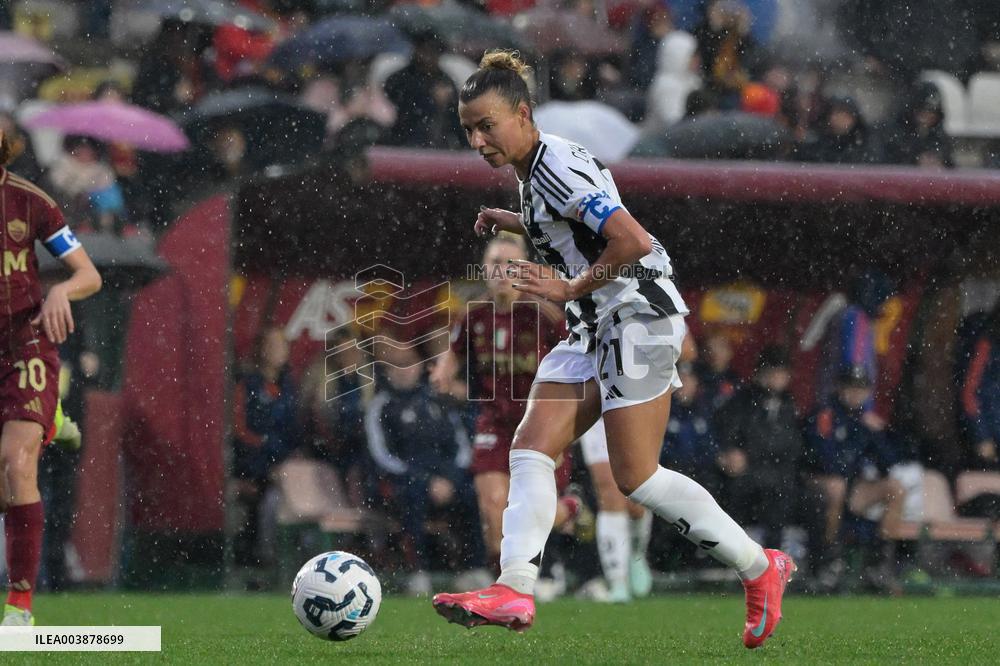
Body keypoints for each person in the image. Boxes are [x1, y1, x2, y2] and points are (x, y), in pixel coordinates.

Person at [432, 50, 793, 649]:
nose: (476, 139)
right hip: (595, 323)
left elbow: (631, 239)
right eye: (468, 129)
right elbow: (571, 229)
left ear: (522, 114)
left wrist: (570, 286)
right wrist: (515, 221)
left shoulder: (553, 169)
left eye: (486, 125)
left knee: (636, 478)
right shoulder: (536, 170)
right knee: (530, 447)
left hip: (637, 318)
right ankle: (514, 589)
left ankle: (761, 568)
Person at [429, 235, 584, 575]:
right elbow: (453, 354)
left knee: (531, 510)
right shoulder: (474, 315)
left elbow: (578, 359)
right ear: (484, 269)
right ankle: (504, 582)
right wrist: (442, 374)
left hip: (542, 424)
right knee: (493, 506)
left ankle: (570, 510)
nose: (502, 270)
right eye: (496, 262)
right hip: (494, 422)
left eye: (511, 264)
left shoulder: (546, 315)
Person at [0, 128, 102, 625]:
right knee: (7, 483)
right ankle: (50, 418)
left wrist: (62, 291)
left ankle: (19, 610)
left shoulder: (30, 202)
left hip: (26, 344)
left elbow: (89, 274)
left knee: (16, 463)